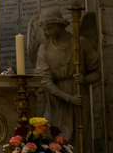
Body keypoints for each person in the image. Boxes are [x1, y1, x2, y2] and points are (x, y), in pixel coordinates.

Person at [34, 7, 100, 141]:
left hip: (78, 93)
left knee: (78, 137)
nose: (48, 32)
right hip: (56, 98)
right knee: (55, 136)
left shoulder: (79, 42)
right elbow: (44, 81)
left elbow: (97, 72)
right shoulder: (44, 49)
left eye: (51, 28)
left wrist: (85, 79)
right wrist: (68, 98)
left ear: (60, 24)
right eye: (45, 29)